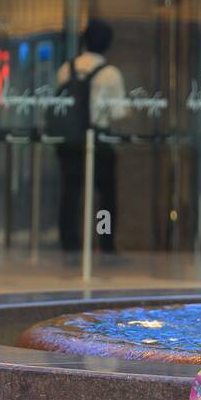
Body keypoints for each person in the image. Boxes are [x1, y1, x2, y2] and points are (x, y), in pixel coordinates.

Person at [55, 18, 126, 256]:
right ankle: (105, 243)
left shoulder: (67, 68)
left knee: (70, 192)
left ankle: (69, 242)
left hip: (70, 141)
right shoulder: (111, 74)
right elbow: (118, 112)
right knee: (106, 195)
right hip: (99, 141)